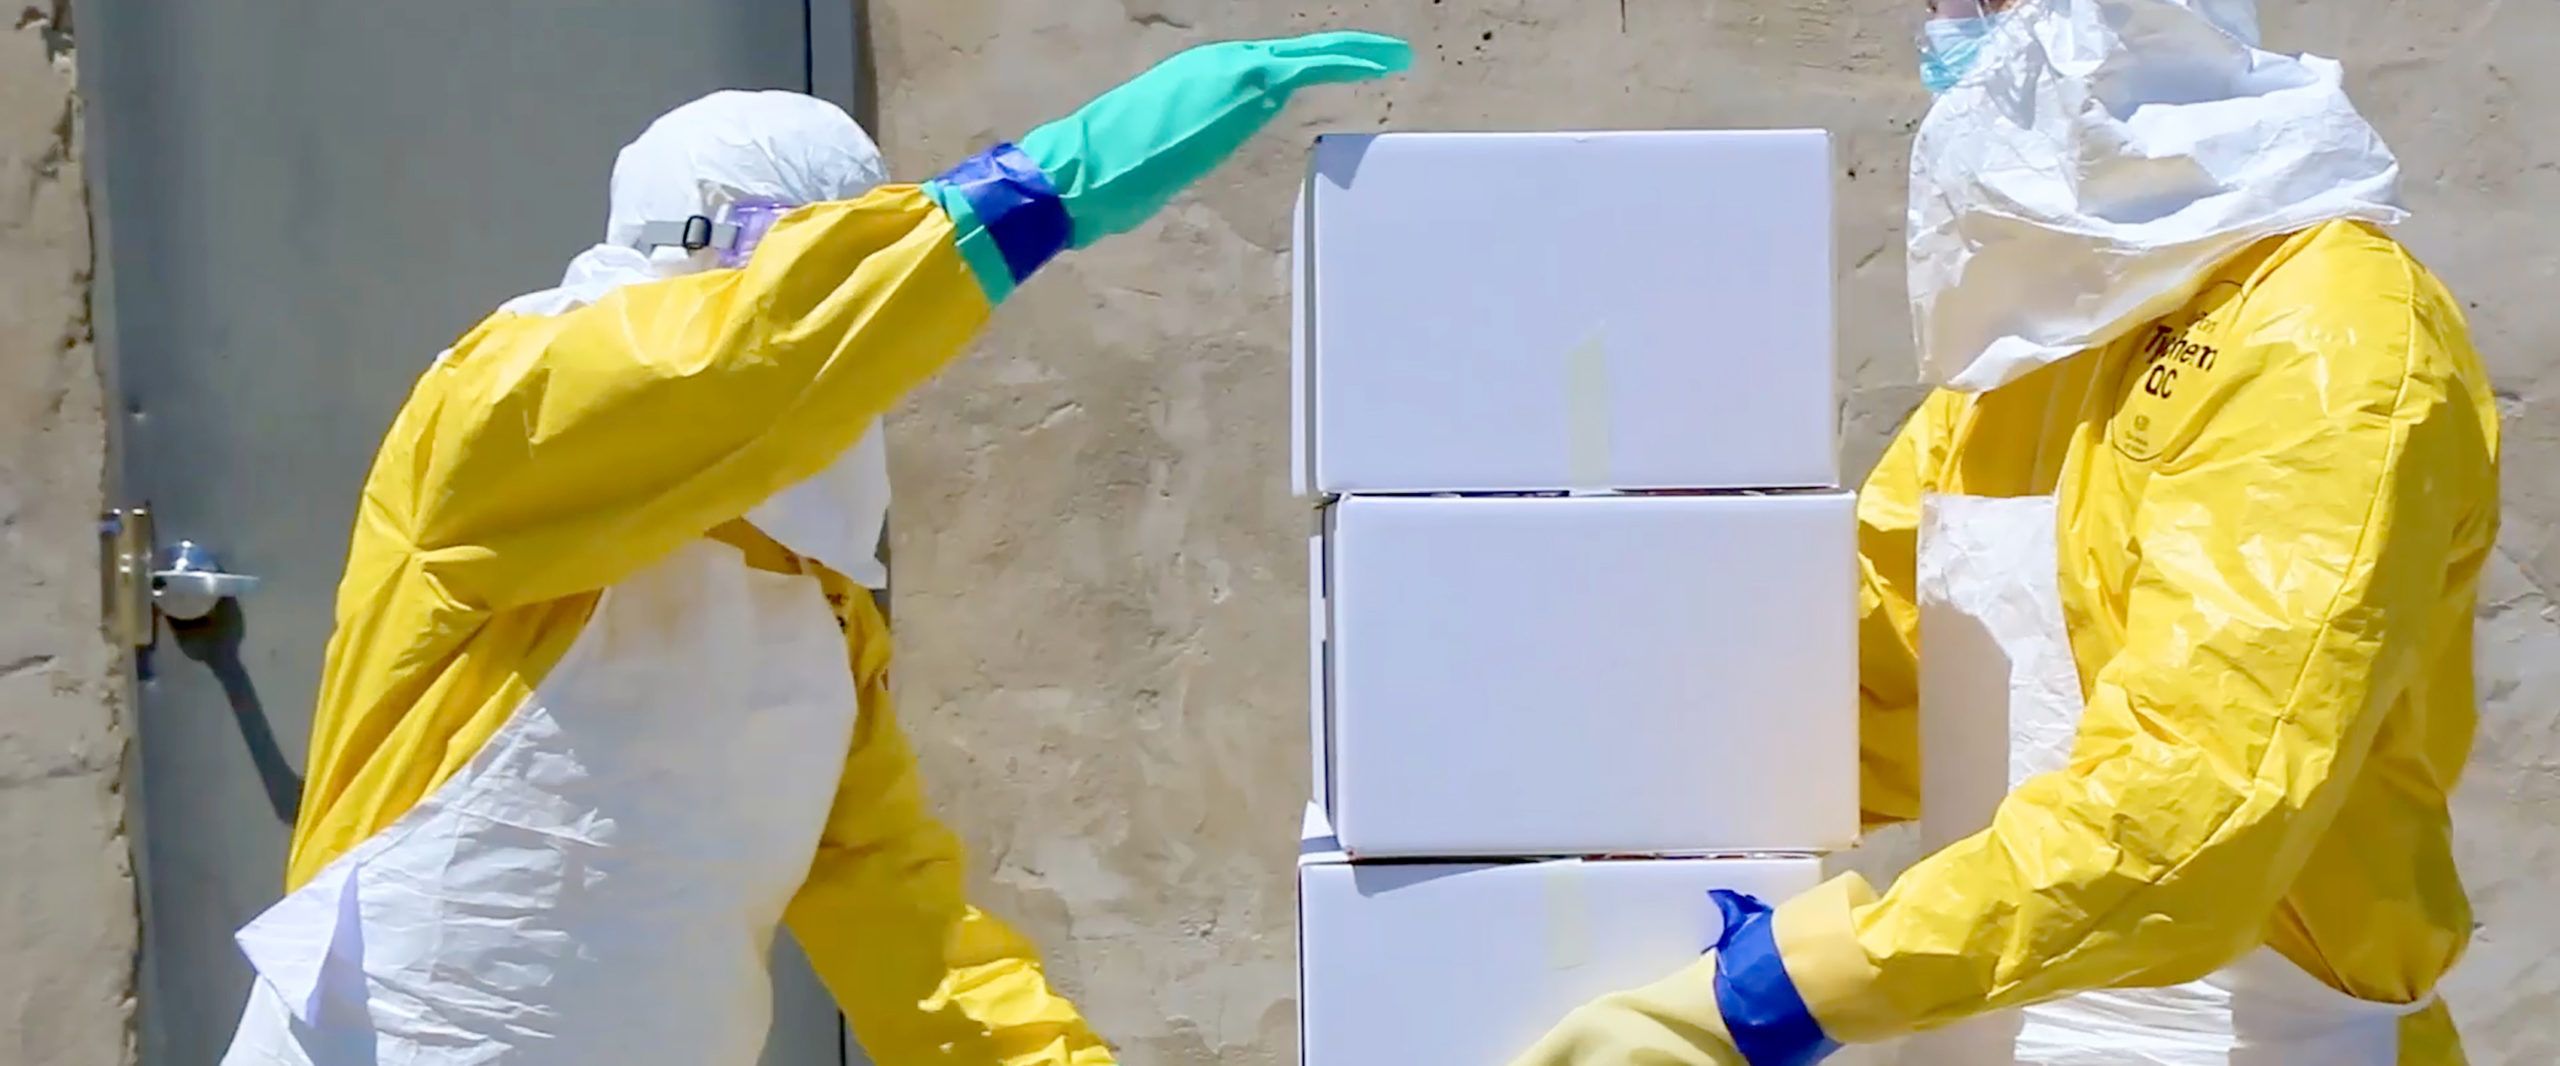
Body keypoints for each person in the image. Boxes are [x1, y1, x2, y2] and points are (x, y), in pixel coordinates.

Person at [217, 32, 1411, 1066]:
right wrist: (1039, 188)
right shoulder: (501, 415)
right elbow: (731, 365)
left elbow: (904, 924)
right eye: (814, 259)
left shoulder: (810, 600)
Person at [1513, 1, 2495, 1063]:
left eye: (1977, 9)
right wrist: (1546, 794)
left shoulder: (2325, 335)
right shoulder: (2037, 340)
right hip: (1977, 1020)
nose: (1946, 44)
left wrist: (1773, 995)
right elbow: (1870, 689)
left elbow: (2201, 806)